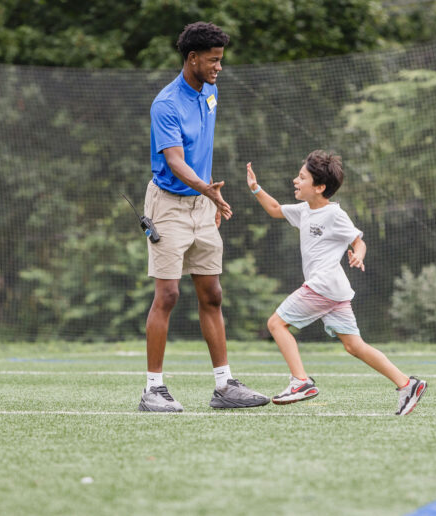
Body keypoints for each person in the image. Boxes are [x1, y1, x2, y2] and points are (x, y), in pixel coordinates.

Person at [139, 22, 269, 412]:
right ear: (192, 58)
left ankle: (224, 386)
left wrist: (210, 197)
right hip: (168, 205)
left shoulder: (211, 91)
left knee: (212, 294)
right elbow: (175, 160)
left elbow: (201, 152)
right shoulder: (166, 104)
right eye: (212, 60)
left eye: (221, 60)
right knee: (168, 294)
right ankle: (152, 390)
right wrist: (206, 190)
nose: (218, 67)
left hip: (201, 202)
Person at [246, 151, 427, 415]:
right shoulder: (304, 211)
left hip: (324, 286)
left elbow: (358, 240)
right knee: (354, 346)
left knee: (276, 323)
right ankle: (407, 384)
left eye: (302, 177)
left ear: (319, 187)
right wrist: (255, 188)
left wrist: (359, 255)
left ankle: (300, 382)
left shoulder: (335, 215)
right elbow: (275, 209)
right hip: (335, 292)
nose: (295, 180)